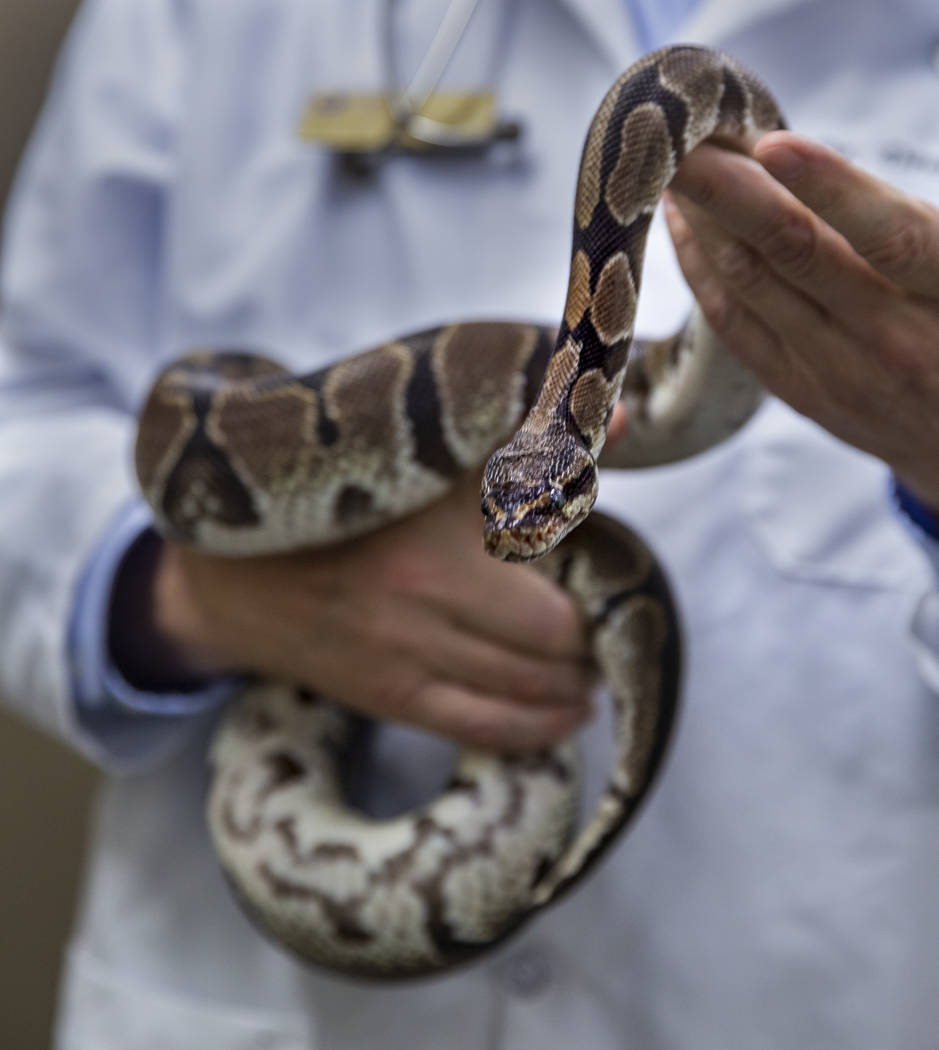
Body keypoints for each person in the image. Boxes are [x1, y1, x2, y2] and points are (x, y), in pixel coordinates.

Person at [2, 0, 939, 1047]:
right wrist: (200, 592)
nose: (516, 531)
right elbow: (20, 401)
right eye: (515, 504)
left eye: (535, 507)